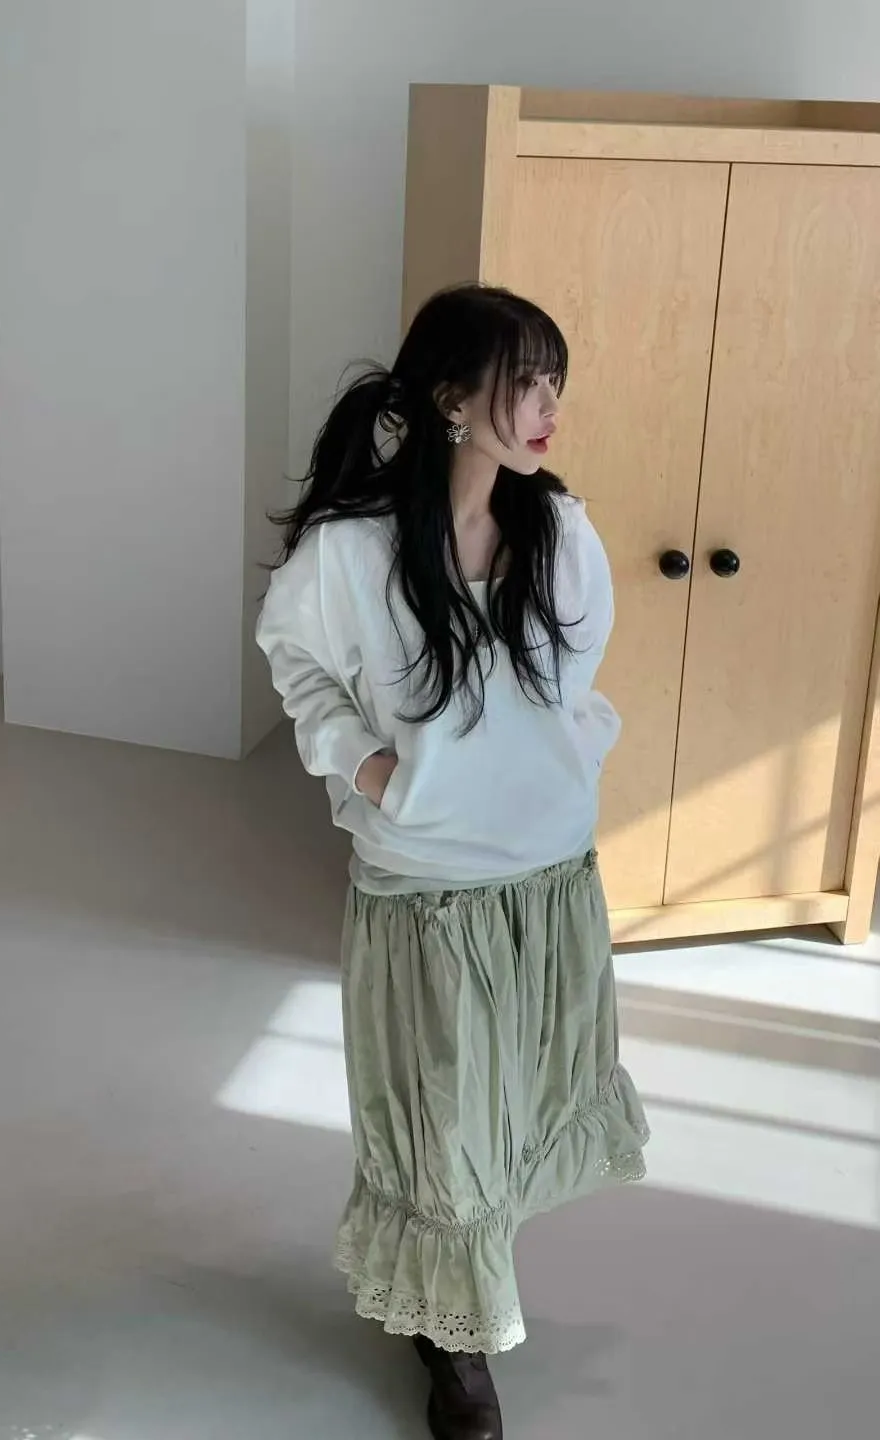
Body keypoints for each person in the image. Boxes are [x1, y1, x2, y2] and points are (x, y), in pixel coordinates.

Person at [256, 284, 649, 1440]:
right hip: (429, 887)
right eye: (525, 383)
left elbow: (576, 679)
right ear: (447, 400)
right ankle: (459, 1346)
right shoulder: (354, 551)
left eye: (555, 382)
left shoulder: (560, 531)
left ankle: (456, 1306)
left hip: (549, 875)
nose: (549, 407)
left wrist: (567, 757)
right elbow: (297, 666)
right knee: (447, 1128)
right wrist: (373, 771)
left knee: (514, 1103)